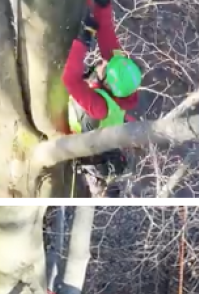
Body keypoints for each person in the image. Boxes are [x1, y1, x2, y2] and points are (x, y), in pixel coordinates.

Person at [63, 0, 142, 183]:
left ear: (107, 83)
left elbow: (70, 79)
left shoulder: (100, 107)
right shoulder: (120, 84)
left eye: (105, 67)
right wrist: (102, 6)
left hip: (72, 137)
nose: (103, 62)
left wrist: (83, 42)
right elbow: (107, 35)